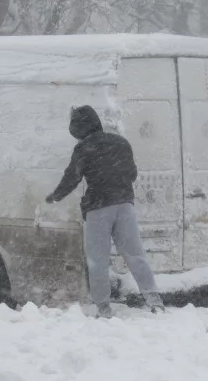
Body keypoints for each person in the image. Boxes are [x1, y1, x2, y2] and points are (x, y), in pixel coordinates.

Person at [45, 105, 164, 319]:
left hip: (99, 208)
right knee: (136, 255)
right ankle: (154, 299)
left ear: (80, 128)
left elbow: (72, 177)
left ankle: (103, 308)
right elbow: (132, 174)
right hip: (125, 206)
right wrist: (117, 184)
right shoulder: (121, 143)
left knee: (97, 260)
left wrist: (56, 195)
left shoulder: (83, 148)